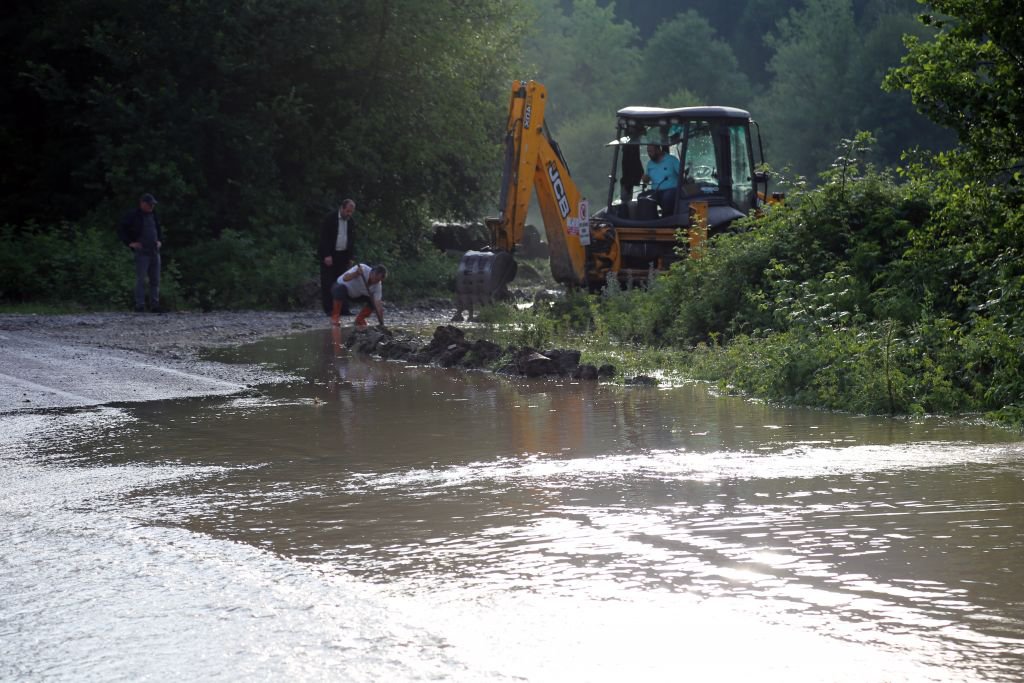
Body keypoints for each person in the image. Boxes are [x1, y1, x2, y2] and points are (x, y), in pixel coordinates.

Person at [118, 193, 163, 313]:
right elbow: (122, 229)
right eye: (149, 204)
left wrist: (160, 241)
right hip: (142, 252)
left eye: (153, 204)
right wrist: (130, 243)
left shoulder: (153, 214)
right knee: (141, 279)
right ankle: (140, 305)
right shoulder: (133, 215)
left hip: (154, 251)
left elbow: (158, 229)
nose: (151, 206)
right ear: (142, 203)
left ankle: (155, 305)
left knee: (155, 280)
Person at [318, 199, 357, 316]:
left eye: (351, 212)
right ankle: (329, 309)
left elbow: (352, 240)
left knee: (344, 282)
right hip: (330, 254)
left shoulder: (351, 221)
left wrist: (350, 257)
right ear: (342, 208)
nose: (349, 214)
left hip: (343, 255)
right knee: (328, 282)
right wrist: (326, 255)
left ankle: (344, 309)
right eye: (347, 211)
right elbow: (323, 237)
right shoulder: (330, 218)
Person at [331, 263, 387, 328]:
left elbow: (378, 304)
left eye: (379, 280)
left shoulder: (378, 285)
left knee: (373, 301)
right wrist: (356, 273)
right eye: (376, 279)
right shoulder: (362, 268)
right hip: (341, 289)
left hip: (357, 295)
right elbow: (345, 278)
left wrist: (382, 322)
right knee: (340, 289)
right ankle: (335, 317)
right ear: (372, 273)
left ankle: (360, 319)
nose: (376, 282)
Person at [642, 144, 680, 216]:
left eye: (651, 151)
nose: (649, 154)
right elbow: (647, 180)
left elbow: (682, 174)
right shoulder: (650, 164)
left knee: (667, 197)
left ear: (658, 150)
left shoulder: (672, 160)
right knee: (643, 197)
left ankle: (666, 221)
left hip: (672, 190)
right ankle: (650, 221)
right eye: (648, 152)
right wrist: (645, 179)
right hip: (655, 191)